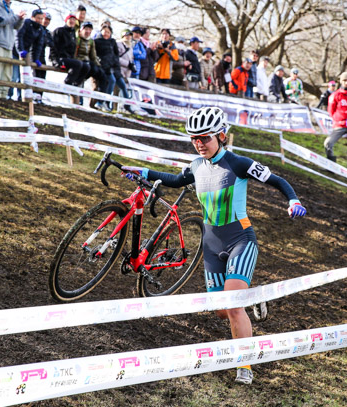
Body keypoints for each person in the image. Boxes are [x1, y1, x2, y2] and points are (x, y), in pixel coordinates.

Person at [120, 106, 306, 385]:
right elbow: (174, 180)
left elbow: (277, 180)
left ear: (221, 136)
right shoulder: (196, 166)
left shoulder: (239, 163)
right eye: (194, 138)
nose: (199, 143)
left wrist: (293, 200)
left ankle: (245, 365)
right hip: (210, 244)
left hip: (240, 240)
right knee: (221, 309)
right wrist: (143, 170)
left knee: (232, 307)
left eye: (205, 138)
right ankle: (252, 297)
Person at [324, 72, 347, 170]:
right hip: (339, 124)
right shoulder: (335, 95)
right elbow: (331, 110)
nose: (346, 83)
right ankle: (331, 165)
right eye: (344, 80)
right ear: (341, 82)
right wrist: (337, 119)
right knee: (328, 143)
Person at [94, 22, 129, 111]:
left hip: (113, 67)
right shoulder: (97, 42)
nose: (106, 34)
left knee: (122, 84)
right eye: (105, 31)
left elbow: (116, 55)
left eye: (108, 32)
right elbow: (95, 54)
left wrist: (115, 65)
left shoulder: (112, 42)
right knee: (110, 81)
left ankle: (127, 105)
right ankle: (104, 102)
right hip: (103, 67)